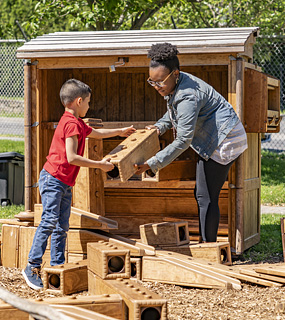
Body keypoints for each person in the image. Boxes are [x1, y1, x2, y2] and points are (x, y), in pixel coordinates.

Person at [22, 78, 136, 290]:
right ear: (79, 101)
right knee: (49, 222)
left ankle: (57, 267)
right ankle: (32, 266)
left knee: (61, 226)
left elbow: (97, 133)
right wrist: (99, 165)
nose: (89, 106)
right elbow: (72, 157)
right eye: (88, 102)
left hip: (63, 182)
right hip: (54, 179)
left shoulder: (74, 121)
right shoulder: (72, 124)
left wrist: (120, 131)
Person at [135, 43, 247, 243]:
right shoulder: (179, 83)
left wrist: (153, 163)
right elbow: (175, 114)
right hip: (219, 136)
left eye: (160, 82)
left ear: (175, 73)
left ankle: (207, 245)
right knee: (204, 194)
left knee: (205, 196)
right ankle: (207, 243)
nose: (157, 86)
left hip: (225, 140)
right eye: (152, 82)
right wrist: (159, 127)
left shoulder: (187, 95)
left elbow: (184, 140)